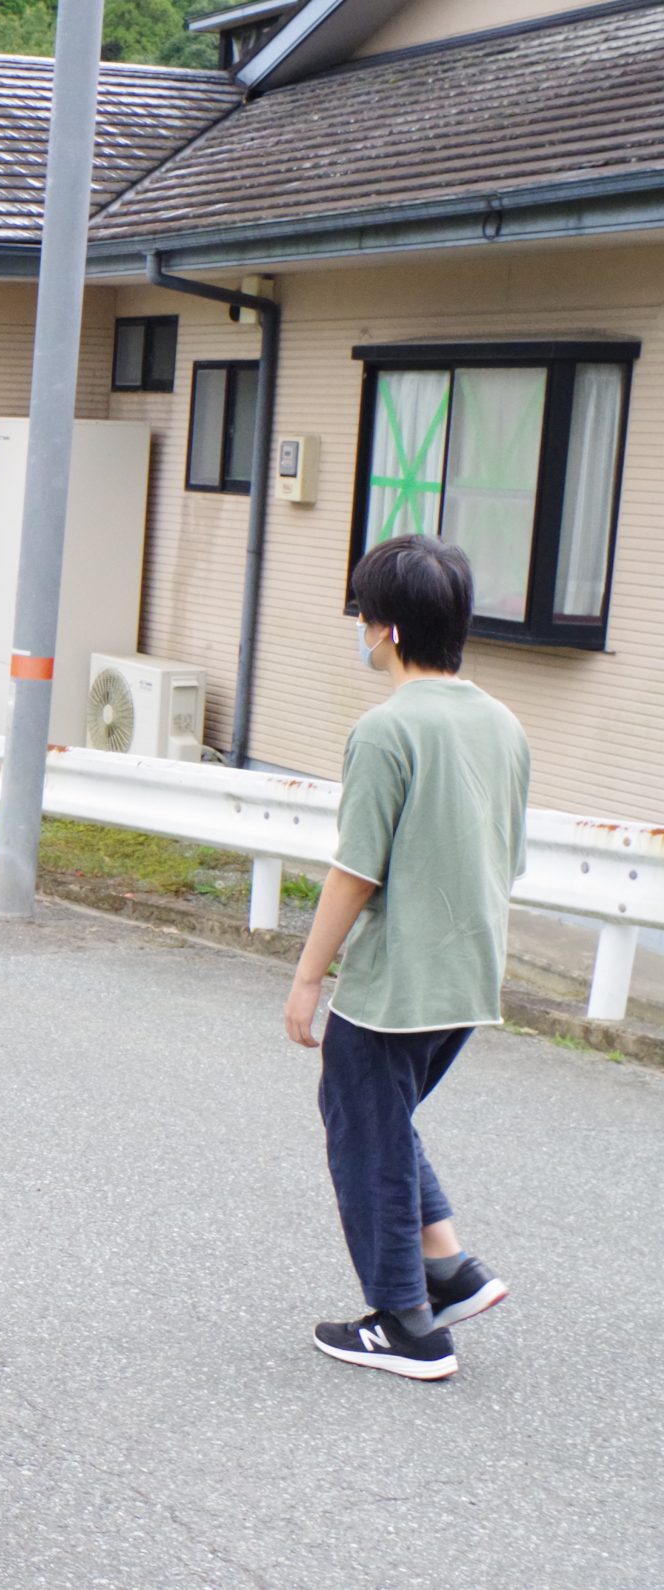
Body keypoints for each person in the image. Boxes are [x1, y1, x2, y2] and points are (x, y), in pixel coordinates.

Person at [285, 534, 529, 1381]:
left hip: (394, 982)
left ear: (383, 628)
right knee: (385, 1121)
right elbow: (508, 853)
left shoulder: (386, 731)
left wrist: (309, 976)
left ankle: (405, 1323)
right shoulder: (503, 724)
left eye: (362, 614)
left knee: (363, 1137)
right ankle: (452, 1269)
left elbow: (356, 871)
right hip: (470, 977)